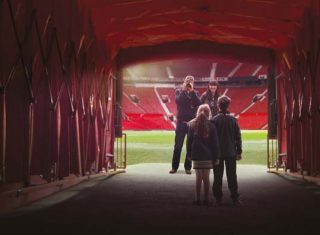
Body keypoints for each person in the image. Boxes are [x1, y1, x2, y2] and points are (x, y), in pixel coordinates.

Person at [211, 95, 242, 206]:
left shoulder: (214, 120)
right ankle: (235, 198)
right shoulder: (233, 120)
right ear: (228, 105)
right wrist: (239, 151)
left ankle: (218, 198)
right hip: (230, 152)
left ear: (218, 106)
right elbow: (238, 137)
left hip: (218, 153)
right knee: (232, 176)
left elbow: (211, 138)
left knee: (217, 176)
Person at [187, 104, 220, 206]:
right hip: (207, 156)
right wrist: (217, 157)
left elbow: (189, 142)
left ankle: (197, 199)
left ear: (198, 112)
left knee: (198, 178)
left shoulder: (192, 125)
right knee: (206, 178)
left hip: (196, 156)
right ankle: (206, 199)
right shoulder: (212, 126)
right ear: (209, 113)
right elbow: (215, 143)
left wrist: (189, 154)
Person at [169, 75, 201, 174]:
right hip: (181, 122)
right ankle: (174, 167)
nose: (188, 83)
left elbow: (198, 103)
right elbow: (178, 101)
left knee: (190, 146)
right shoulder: (178, 91)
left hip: (191, 123)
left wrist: (191, 92)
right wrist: (183, 90)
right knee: (178, 146)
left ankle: (188, 167)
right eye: (187, 81)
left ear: (193, 83)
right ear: (184, 81)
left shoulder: (195, 93)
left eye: (190, 81)